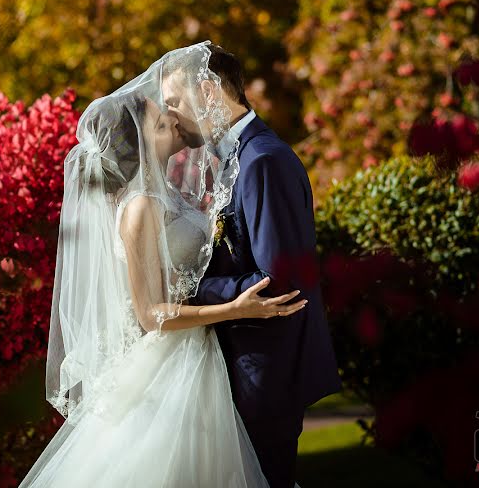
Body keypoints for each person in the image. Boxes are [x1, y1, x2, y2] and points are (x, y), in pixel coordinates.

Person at [19, 41, 306, 488]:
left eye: (171, 105)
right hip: (174, 360)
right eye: (161, 117)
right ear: (140, 141)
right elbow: (150, 313)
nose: (172, 117)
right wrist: (233, 307)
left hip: (200, 351)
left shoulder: (171, 194)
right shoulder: (141, 207)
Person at [162, 43, 343, 488]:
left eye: (174, 102)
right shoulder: (231, 159)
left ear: (207, 92)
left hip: (266, 368)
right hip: (244, 362)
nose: (170, 116)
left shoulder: (263, 161)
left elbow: (277, 280)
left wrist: (191, 288)